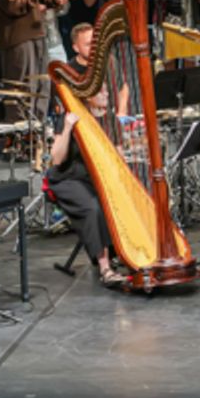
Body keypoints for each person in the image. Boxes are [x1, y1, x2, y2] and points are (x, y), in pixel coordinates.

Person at [47, 81, 125, 287]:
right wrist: (67, 128)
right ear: (87, 96)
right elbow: (57, 159)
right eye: (101, 91)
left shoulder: (111, 121)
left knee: (118, 201)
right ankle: (105, 267)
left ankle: (127, 252)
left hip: (96, 179)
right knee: (94, 207)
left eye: (107, 90)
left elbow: (118, 158)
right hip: (68, 179)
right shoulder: (70, 118)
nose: (106, 94)